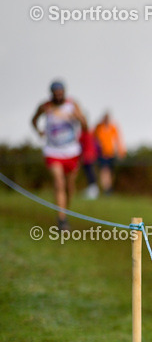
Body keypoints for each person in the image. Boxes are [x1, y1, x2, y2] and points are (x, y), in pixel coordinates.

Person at [31, 80, 88, 230]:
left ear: (64, 92)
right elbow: (33, 120)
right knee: (59, 182)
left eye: (60, 93)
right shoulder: (45, 107)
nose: (58, 95)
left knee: (69, 186)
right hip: (53, 151)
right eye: (55, 93)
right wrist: (39, 131)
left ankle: (65, 211)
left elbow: (85, 126)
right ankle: (62, 219)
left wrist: (79, 118)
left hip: (71, 152)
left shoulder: (72, 105)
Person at [94, 112, 127, 194]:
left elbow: (118, 140)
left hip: (111, 153)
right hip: (102, 154)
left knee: (111, 172)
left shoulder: (113, 128)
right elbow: (94, 139)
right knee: (105, 171)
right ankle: (106, 189)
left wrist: (121, 152)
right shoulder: (99, 127)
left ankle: (109, 188)